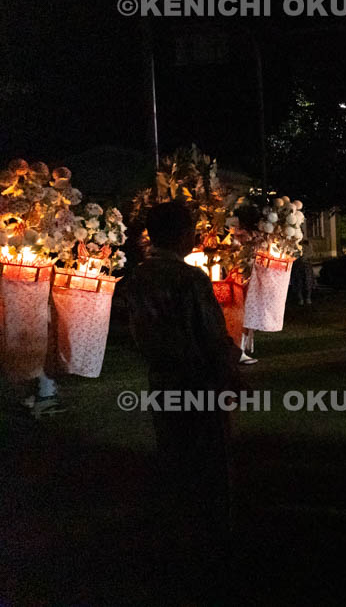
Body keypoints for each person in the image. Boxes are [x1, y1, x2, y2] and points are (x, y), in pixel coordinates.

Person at [123, 201, 240, 599]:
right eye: (191, 228)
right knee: (209, 461)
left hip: (162, 380)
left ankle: (177, 537)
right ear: (180, 234)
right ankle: (211, 546)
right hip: (197, 381)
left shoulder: (139, 276)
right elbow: (211, 334)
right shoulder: (188, 278)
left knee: (174, 456)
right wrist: (231, 370)